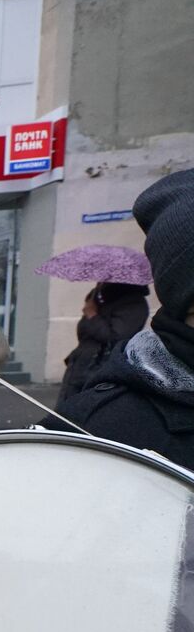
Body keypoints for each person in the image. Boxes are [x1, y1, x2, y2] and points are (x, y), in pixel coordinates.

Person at [50, 169, 194, 468]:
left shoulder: (133, 303)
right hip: (84, 371)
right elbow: (90, 333)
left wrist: (92, 317)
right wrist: (91, 314)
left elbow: (115, 334)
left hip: (96, 366)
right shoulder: (104, 421)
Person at [57, 280, 151, 401]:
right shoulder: (102, 298)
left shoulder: (134, 303)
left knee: (86, 409)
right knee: (64, 410)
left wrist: (92, 315)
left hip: (100, 366)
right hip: (81, 364)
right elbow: (84, 333)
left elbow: (116, 337)